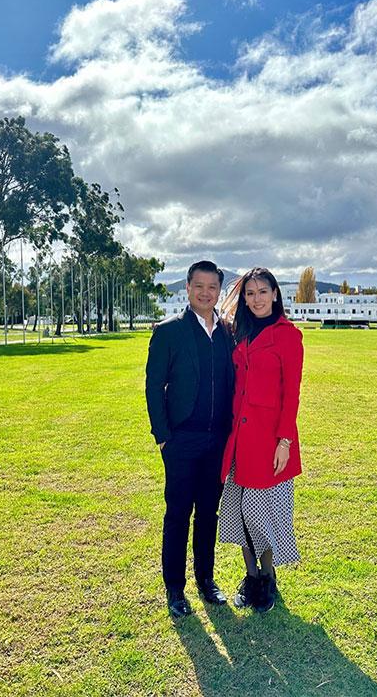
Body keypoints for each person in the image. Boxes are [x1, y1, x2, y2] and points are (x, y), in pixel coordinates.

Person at [145, 260, 235, 617]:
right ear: (187, 287)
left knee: (208, 514)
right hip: (181, 440)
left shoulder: (227, 333)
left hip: (217, 440)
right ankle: (175, 589)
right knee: (178, 514)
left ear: (219, 291)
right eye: (199, 285)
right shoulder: (169, 332)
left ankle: (206, 579)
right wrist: (164, 437)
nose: (205, 293)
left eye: (212, 287)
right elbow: (153, 387)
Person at [217, 267, 304, 613]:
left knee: (260, 514)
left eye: (262, 292)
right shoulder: (240, 333)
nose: (256, 299)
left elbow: (291, 393)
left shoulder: (288, 336)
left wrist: (285, 440)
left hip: (269, 440)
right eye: (250, 293)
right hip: (239, 438)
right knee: (238, 511)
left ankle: (267, 580)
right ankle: (251, 577)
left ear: (275, 294)